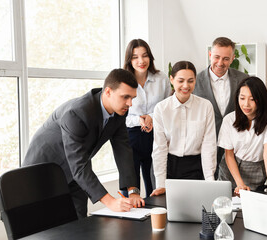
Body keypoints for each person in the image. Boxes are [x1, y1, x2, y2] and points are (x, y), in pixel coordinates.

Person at [22, 69, 145, 218]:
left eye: (132, 98)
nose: (130, 104)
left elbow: (123, 149)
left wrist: (133, 191)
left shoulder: (120, 111)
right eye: (125, 97)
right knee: (43, 227)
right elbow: (78, 164)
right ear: (108, 92)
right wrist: (110, 202)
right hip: (42, 174)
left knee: (80, 222)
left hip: (75, 175)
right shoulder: (77, 113)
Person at [218, 76, 267, 201]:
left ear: (261, 99)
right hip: (230, 168)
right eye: (242, 98)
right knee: (225, 205)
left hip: (255, 169)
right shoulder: (229, 119)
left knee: (249, 207)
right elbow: (229, 155)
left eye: (252, 99)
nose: (246, 104)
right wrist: (239, 183)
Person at [150, 61, 217, 196]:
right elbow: (160, 148)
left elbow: (209, 146)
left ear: (195, 81)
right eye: (181, 81)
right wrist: (161, 184)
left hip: (195, 167)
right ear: (172, 79)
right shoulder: (161, 109)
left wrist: (210, 181)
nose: (186, 86)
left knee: (196, 210)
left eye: (190, 81)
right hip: (169, 165)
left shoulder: (205, 106)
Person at [193, 37, 248, 179]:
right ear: (210, 55)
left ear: (232, 58)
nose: (220, 63)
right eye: (216, 57)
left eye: (225, 58)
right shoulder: (194, 81)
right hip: (202, 146)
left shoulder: (244, 79)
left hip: (235, 147)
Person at [123, 39, 171, 197]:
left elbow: (166, 108)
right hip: (131, 137)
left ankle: (155, 219)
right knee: (131, 187)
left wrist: (151, 117)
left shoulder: (161, 79)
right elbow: (119, 115)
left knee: (155, 185)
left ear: (150, 57)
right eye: (135, 57)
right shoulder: (123, 81)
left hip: (156, 135)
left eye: (144, 56)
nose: (141, 61)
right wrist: (139, 120)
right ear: (129, 60)